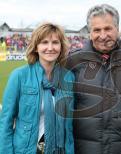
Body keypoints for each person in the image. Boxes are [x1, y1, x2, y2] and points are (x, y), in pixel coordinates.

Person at [66, 4, 121, 154]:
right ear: (90, 33)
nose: (102, 35)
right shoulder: (73, 61)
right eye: (96, 30)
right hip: (84, 149)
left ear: (117, 29)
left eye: (107, 29)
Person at [0, 23, 75, 154]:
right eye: (44, 42)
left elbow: (69, 126)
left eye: (55, 42)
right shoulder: (19, 76)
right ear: (36, 47)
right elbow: (6, 122)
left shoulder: (68, 77)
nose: (50, 48)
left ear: (61, 46)